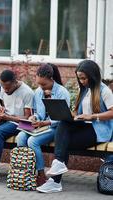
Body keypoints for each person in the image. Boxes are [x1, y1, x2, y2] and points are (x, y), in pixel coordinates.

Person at [37, 60, 113, 193]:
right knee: (64, 122)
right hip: (84, 126)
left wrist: (93, 116)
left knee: (62, 143)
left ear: (92, 75)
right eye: (79, 78)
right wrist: (69, 114)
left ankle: (55, 181)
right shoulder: (84, 90)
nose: (82, 81)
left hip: (99, 131)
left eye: (84, 78)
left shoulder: (104, 91)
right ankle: (58, 165)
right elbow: (78, 112)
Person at [16, 63, 70, 186]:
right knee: (20, 137)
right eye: (39, 84)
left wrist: (44, 122)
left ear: (52, 79)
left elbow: (62, 119)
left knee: (32, 142)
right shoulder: (38, 92)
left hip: (54, 127)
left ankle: (41, 174)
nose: (41, 87)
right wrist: (33, 118)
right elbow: (36, 113)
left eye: (44, 84)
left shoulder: (62, 92)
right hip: (40, 127)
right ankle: (27, 172)